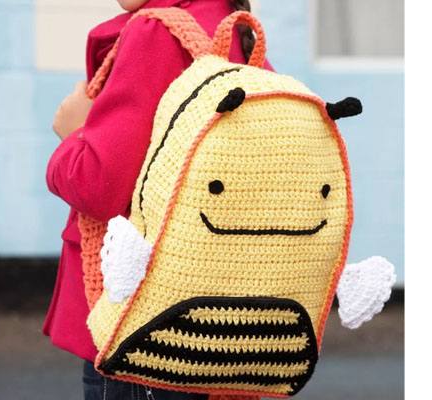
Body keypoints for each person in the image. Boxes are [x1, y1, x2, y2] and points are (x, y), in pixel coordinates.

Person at [45, 0, 269, 398]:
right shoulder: (232, 29)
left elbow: (100, 187)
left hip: (143, 326)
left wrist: (75, 132)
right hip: (222, 322)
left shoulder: (157, 35)